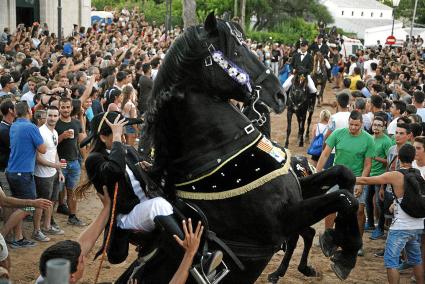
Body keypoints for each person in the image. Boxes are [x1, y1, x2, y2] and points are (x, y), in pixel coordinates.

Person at [76, 111, 223, 278]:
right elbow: (115, 170)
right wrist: (117, 139)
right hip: (126, 216)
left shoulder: (127, 150)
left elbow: (146, 175)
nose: (123, 137)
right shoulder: (94, 159)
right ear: (103, 137)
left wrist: (150, 169)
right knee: (158, 205)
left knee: (179, 198)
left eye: (122, 133)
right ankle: (198, 260)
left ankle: (206, 245)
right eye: (118, 133)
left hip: (146, 204)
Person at [356, 144, 425, 284]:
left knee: (391, 262)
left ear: (398, 157)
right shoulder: (418, 173)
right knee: (416, 260)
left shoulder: (395, 175)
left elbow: (366, 180)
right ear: (413, 158)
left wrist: (345, 177)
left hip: (400, 227)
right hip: (417, 225)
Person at [316, 110, 375, 256]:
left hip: (357, 179)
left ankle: (357, 243)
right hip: (337, 177)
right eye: (351, 124)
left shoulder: (368, 139)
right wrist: (318, 173)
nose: (353, 127)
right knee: (330, 208)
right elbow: (325, 154)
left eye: (356, 125)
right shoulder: (338, 133)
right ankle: (329, 238)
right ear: (348, 122)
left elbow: (368, 165)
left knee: (359, 211)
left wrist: (361, 184)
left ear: (362, 124)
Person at [2, 101, 47, 248]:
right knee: (29, 207)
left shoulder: (14, 125)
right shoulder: (31, 127)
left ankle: (18, 238)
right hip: (23, 173)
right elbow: (43, 149)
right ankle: (2, 236)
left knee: (19, 206)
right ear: (29, 111)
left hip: (12, 171)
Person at [33, 106, 65, 242]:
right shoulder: (40, 132)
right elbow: (38, 158)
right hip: (42, 174)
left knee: (51, 201)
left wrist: (59, 171)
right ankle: (36, 230)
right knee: (41, 203)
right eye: (50, 116)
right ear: (46, 116)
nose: (52, 118)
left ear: (58, 117)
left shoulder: (55, 132)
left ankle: (47, 226)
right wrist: (55, 166)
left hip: (53, 173)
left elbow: (55, 152)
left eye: (54, 116)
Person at [55, 97, 86, 226]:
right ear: (59, 108)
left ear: (71, 108)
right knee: (57, 191)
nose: (66, 109)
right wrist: (62, 136)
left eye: (68, 107)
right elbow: (51, 145)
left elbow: (80, 143)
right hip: (60, 163)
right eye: (63, 107)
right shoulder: (55, 123)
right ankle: (56, 212)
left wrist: (84, 160)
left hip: (74, 162)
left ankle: (72, 216)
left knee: (72, 190)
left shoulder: (76, 123)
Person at [366, 116, 393, 240]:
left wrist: (375, 157)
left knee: (379, 203)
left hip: (380, 176)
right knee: (367, 201)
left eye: (379, 125)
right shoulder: (370, 138)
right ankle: (370, 224)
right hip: (369, 175)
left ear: (383, 127)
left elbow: (390, 162)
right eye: (374, 125)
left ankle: (380, 228)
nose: (376, 127)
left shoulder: (386, 141)